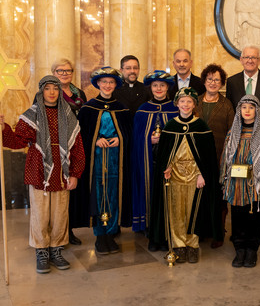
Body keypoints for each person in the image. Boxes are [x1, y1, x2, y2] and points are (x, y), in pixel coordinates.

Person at [0, 75, 85, 274]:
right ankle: (42, 251)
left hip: (62, 170)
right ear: (41, 91)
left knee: (60, 214)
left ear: (60, 91)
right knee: (40, 215)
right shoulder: (32, 114)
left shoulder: (68, 114)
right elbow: (17, 141)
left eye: (55, 88)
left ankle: (56, 249)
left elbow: (77, 146)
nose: (52, 92)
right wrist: (1, 126)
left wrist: (75, 173)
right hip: (39, 170)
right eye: (47, 88)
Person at [149, 87, 223, 263]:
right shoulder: (170, 126)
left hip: (195, 177)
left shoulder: (201, 126)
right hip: (174, 177)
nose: (186, 104)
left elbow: (208, 157)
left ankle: (192, 245)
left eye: (189, 101)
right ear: (177, 104)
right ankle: (178, 245)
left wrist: (202, 174)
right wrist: (166, 168)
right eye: (182, 101)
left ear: (194, 104)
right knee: (176, 211)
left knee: (193, 212)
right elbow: (165, 154)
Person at [78, 67, 133, 255]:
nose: (107, 85)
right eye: (104, 82)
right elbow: (82, 135)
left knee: (114, 194)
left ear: (115, 85)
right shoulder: (88, 108)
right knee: (99, 194)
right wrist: (96, 140)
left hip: (116, 160)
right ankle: (100, 235)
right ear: (98, 84)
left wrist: (120, 138)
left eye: (111, 82)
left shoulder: (122, 108)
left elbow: (129, 133)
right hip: (97, 162)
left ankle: (111, 233)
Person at [220, 95, 260, 268]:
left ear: (257, 111)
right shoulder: (232, 133)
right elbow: (225, 159)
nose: (247, 111)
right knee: (238, 217)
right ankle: (239, 249)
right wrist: (224, 180)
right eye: (243, 107)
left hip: (255, 185)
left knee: (254, 218)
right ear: (239, 110)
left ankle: (252, 250)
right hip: (236, 184)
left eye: (251, 108)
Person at [131, 70, 179, 250]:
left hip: (169, 163)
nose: (159, 88)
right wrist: (147, 140)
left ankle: (168, 233)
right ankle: (152, 233)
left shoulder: (175, 108)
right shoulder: (142, 111)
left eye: (162, 85)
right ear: (151, 88)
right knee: (151, 194)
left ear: (168, 87)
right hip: (148, 161)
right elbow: (135, 139)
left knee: (168, 196)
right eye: (155, 85)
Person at [194, 63, 235, 248]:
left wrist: (226, 157)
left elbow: (232, 132)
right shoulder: (195, 101)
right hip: (197, 157)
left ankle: (218, 233)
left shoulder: (226, 105)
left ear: (222, 83)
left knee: (219, 198)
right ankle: (201, 231)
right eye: (209, 79)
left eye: (217, 80)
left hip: (220, 157)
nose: (212, 82)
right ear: (204, 81)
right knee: (200, 196)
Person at [51, 58, 88, 246]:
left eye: (68, 70)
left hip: (75, 145)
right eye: (60, 71)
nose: (65, 73)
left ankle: (69, 229)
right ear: (54, 73)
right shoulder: (48, 92)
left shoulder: (79, 93)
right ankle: (55, 231)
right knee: (57, 190)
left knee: (72, 189)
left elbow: (86, 118)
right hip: (56, 146)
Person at [226, 45, 260, 130]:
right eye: (246, 57)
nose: (250, 61)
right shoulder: (232, 82)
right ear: (241, 60)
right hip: (239, 133)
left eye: (254, 57)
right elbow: (230, 112)